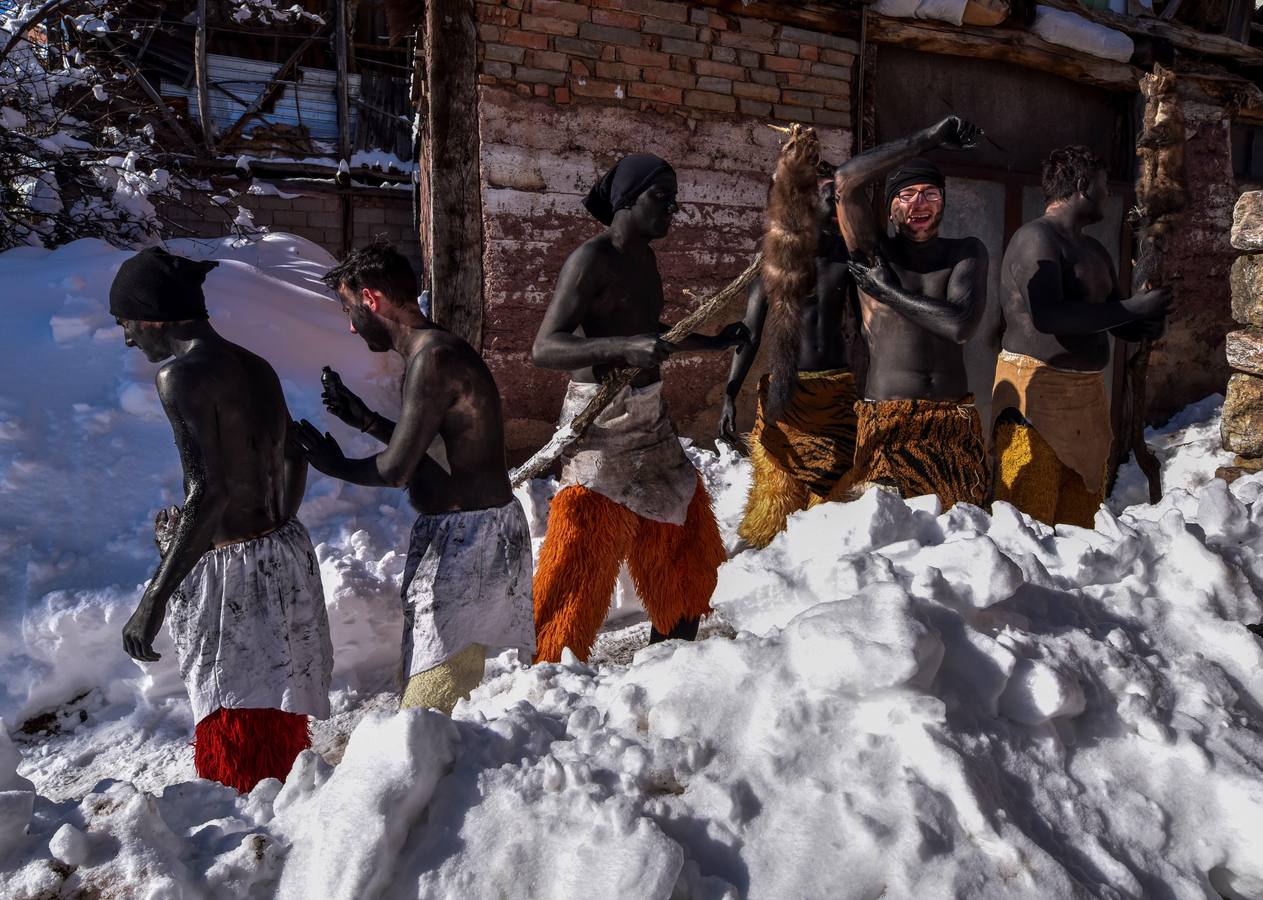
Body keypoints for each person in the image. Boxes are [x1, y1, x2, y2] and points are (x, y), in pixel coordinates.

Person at [112, 247, 332, 794]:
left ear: (153, 319)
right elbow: (294, 456)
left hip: (230, 570)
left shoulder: (181, 378)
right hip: (284, 551)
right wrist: (273, 524)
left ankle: (244, 826)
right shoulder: (256, 365)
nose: (127, 340)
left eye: (126, 325)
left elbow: (207, 494)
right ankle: (280, 801)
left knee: (232, 711)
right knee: (275, 698)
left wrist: (152, 601)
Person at [292, 241, 533, 714]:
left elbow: (398, 469)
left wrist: (333, 463)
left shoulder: (433, 359)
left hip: (472, 545)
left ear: (371, 298)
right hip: (470, 537)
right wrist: (368, 422)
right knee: (447, 698)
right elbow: (440, 450)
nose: (349, 324)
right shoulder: (431, 352)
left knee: (436, 705)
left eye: (348, 308)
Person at [530, 153, 748, 663]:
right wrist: (621, 349)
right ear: (626, 199)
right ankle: (552, 665)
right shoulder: (591, 259)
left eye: (675, 198)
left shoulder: (644, 260)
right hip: (601, 424)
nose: (673, 208)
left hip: (650, 418)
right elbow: (546, 347)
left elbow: (653, 331)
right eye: (661, 197)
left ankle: (673, 642)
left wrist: (711, 343)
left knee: (680, 524)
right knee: (583, 549)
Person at [992, 146, 1171, 527]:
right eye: (1104, 185)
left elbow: (1112, 318)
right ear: (1082, 185)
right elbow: (1049, 316)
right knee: (1029, 520)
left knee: (1080, 521)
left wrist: (1148, 321)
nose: (1108, 194)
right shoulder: (1035, 238)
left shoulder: (1093, 249)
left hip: (1087, 400)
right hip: (1035, 399)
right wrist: (1132, 310)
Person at [826, 117, 991, 509]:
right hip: (889, 422)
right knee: (891, 549)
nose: (919, 204)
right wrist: (928, 137)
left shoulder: (966, 252)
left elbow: (959, 325)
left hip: (953, 423)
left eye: (931, 194)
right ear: (889, 207)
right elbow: (846, 182)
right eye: (906, 195)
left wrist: (887, 291)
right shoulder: (873, 252)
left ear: (944, 202)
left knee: (960, 546)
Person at [720, 161, 860, 549]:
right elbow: (750, 332)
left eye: (837, 195)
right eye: (824, 194)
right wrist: (730, 391)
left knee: (831, 501)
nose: (832, 202)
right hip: (787, 395)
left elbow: (868, 328)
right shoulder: (774, 256)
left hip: (836, 395)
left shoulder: (846, 254)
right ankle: (763, 576)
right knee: (775, 493)